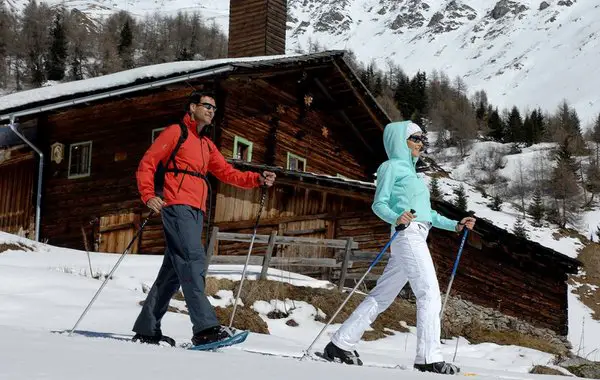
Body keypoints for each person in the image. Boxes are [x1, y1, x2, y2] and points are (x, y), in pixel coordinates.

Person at [322, 121, 476, 374]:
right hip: (407, 235)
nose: (421, 143)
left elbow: (429, 214)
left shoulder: (414, 175)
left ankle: (340, 343)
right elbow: (378, 204)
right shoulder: (391, 167)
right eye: (416, 138)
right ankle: (428, 357)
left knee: (381, 296)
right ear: (400, 141)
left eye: (423, 139)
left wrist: (456, 225)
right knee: (428, 293)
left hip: (417, 234)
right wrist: (396, 217)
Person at [132, 91, 276, 346]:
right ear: (192, 107)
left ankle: (146, 328)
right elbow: (148, 162)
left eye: (214, 108)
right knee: (193, 260)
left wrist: (256, 179)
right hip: (177, 205)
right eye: (206, 106)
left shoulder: (206, 144)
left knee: (173, 271)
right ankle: (205, 328)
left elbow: (226, 172)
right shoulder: (176, 132)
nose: (211, 110)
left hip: (196, 211)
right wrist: (147, 194)